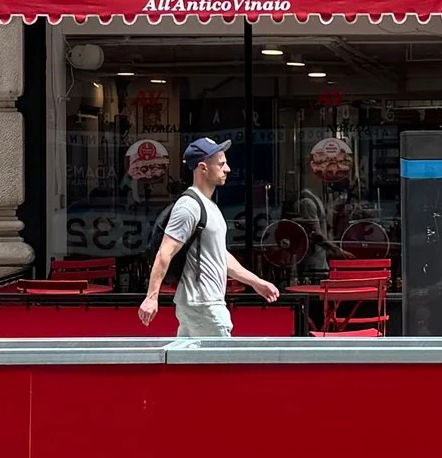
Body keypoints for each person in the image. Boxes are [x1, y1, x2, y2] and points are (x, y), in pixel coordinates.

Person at [138, 137, 282, 337]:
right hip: (204, 305)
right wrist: (151, 298)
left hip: (201, 304)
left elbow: (220, 256)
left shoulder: (209, 206)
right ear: (203, 168)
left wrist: (256, 282)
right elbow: (165, 252)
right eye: (221, 164)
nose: (228, 169)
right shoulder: (189, 206)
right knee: (223, 366)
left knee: (192, 367)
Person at [292, 134, 355, 281]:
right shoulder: (306, 202)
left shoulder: (316, 197)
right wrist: (337, 250)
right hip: (314, 266)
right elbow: (316, 235)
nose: (332, 173)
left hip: (320, 261)